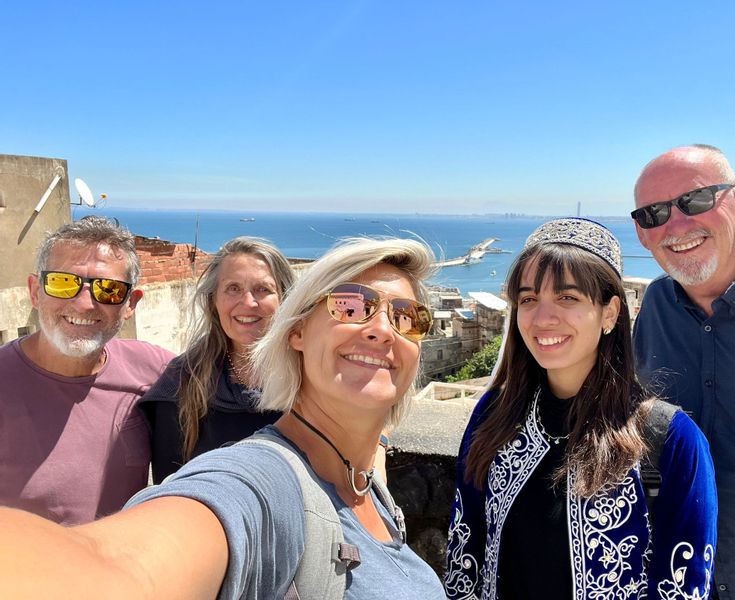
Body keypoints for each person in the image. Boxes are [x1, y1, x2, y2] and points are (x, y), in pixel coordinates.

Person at [0, 236, 446, 600]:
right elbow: (179, 511)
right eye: (350, 308)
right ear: (299, 332)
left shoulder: (145, 367)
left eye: (407, 317)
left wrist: (377, 451)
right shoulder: (186, 390)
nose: (382, 329)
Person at [445, 218, 717, 599]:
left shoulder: (668, 439)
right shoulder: (495, 413)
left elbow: (682, 588)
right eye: (528, 299)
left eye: (568, 297)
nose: (542, 318)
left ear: (609, 313)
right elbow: (466, 550)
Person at [631, 144, 735, 599]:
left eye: (696, 201)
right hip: (677, 581)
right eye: (654, 214)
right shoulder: (655, 309)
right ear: (642, 233)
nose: (676, 225)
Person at [0, 216, 174, 525]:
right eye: (63, 283)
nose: (84, 304)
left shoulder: (154, 370)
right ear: (35, 292)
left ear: (131, 303)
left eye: (108, 289)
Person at [139, 236, 295, 483]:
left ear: (285, 299)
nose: (248, 302)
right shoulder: (183, 381)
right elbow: (170, 488)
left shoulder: (313, 376)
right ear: (214, 300)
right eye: (233, 288)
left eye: (263, 289)